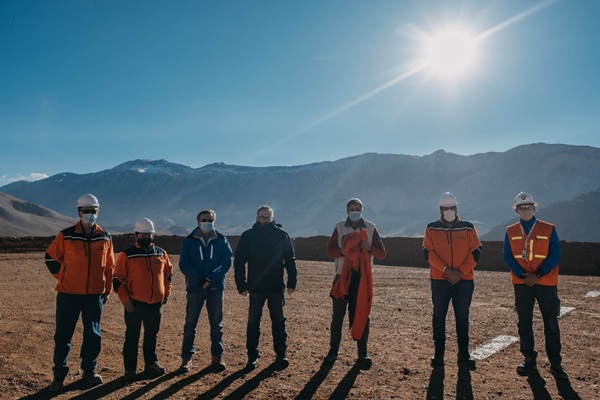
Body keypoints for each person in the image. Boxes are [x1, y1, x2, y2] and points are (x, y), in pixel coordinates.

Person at [44, 194, 115, 392]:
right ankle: (59, 375)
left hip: (95, 295)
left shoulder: (105, 237)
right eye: (86, 211)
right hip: (68, 294)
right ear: (78, 212)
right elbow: (50, 258)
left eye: (94, 211)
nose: (90, 214)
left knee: (93, 334)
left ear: (98, 212)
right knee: (63, 335)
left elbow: (110, 266)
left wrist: (107, 289)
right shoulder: (66, 235)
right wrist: (63, 277)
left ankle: (89, 371)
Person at [503, 192, 568, 379]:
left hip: (545, 282)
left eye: (529, 207)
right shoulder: (511, 230)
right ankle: (528, 359)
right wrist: (523, 275)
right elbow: (507, 256)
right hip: (522, 283)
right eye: (522, 208)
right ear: (516, 210)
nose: (526, 210)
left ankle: (556, 364)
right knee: (524, 322)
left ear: (535, 207)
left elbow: (555, 253)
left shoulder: (548, 229)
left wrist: (538, 274)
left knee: (551, 322)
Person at [324, 198, 386, 369]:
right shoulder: (339, 227)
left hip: (362, 279)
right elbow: (330, 250)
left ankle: (362, 353)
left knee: (362, 315)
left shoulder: (371, 228)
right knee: (337, 316)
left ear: (362, 209)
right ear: (347, 211)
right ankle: (333, 351)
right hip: (341, 277)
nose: (354, 211)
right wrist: (343, 251)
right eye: (352, 208)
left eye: (357, 208)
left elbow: (381, 253)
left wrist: (369, 248)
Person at [423, 192, 482, 370]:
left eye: (452, 207)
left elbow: (477, 251)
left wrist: (460, 272)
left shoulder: (468, 228)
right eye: (445, 208)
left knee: (462, 317)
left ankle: (464, 354)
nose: (449, 211)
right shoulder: (431, 228)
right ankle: (438, 354)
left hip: (464, 281)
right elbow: (428, 252)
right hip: (439, 280)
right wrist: (446, 270)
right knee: (439, 316)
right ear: (440, 210)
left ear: (456, 208)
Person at [234, 205, 297, 370]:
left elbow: (289, 260)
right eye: (261, 217)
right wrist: (241, 284)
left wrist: (292, 281)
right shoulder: (248, 236)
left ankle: (281, 354)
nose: (264, 220)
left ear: (272, 218)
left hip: (276, 287)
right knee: (253, 322)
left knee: (279, 321)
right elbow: (239, 261)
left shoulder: (281, 235)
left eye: (267, 217)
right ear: (256, 217)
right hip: (256, 288)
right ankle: (252, 357)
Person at [113, 218, 173, 382]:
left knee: (151, 335)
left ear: (153, 235)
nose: (145, 237)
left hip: (155, 304)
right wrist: (125, 300)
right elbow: (117, 279)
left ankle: (151, 363)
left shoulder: (161, 253)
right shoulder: (128, 254)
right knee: (132, 336)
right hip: (134, 304)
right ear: (136, 236)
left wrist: (166, 293)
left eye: (148, 234)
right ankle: (130, 369)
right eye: (142, 234)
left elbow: (168, 274)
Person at [179, 209, 233, 372]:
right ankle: (186, 359)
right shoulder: (189, 241)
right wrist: (199, 278)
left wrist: (210, 278)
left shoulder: (221, 240)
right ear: (198, 221)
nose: (207, 222)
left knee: (216, 325)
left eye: (210, 219)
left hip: (215, 288)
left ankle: (217, 357)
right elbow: (184, 263)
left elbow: (226, 262)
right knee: (190, 325)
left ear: (214, 221)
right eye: (204, 219)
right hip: (195, 288)